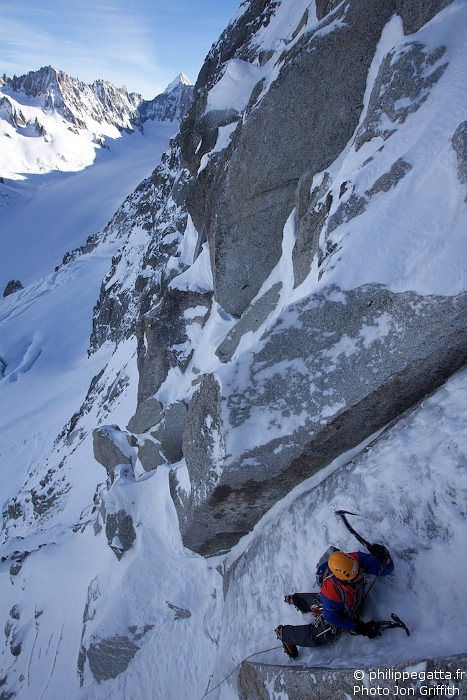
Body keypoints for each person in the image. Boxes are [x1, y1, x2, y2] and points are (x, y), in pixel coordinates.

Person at [275, 545, 394, 659]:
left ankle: (296, 600)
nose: (360, 576)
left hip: (333, 600)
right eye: (355, 577)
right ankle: (285, 634)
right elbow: (332, 618)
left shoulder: (352, 562)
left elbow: (383, 569)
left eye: (358, 572)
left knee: (323, 601)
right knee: (318, 636)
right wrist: (358, 627)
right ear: (343, 580)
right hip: (335, 603)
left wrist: (385, 559)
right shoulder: (332, 593)